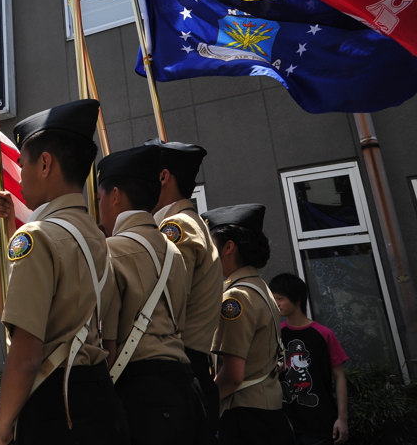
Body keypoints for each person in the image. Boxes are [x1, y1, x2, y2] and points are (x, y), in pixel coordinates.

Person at [0, 99, 128, 445]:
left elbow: (25, 354)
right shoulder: (98, 237)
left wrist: (1, 430)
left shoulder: (36, 237)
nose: (18, 174)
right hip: (100, 396)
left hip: (55, 403)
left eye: (22, 163)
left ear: (45, 163)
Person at [98, 145, 207, 445]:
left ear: (116, 196)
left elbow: (106, 338)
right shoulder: (172, 251)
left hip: (142, 388)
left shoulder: (112, 250)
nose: (99, 207)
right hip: (186, 383)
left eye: (99, 198)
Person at [145, 138, 223, 435]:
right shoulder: (187, 223)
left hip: (176, 372)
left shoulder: (175, 228)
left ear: (163, 177)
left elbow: (156, 298)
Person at [207, 204, 294, 445]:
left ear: (229, 247)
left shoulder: (235, 297)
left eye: (211, 246)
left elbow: (233, 375)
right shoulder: (260, 287)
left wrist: (203, 406)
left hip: (246, 419)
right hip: (268, 413)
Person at [270, 273, 349, 445]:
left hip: (320, 424)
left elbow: (339, 377)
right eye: (273, 298)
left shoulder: (324, 334)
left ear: (297, 299)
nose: (276, 303)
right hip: (286, 423)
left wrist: (342, 418)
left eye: (280, 298)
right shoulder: (276, 334)